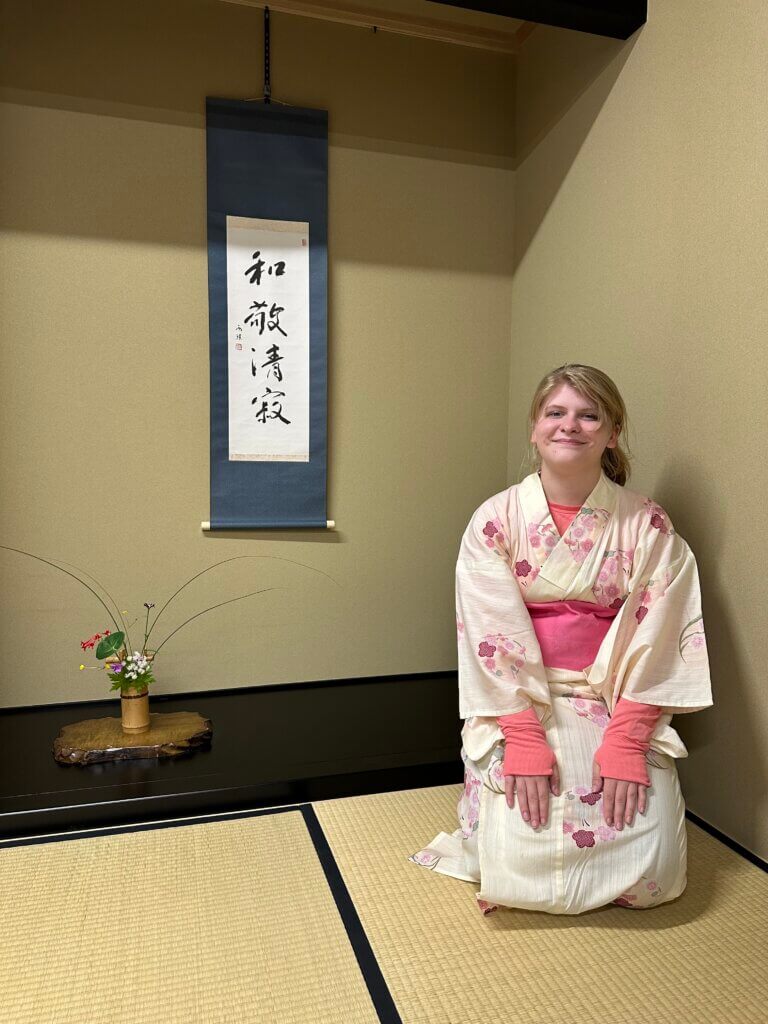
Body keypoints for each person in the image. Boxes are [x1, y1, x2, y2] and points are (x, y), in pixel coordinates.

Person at [409, 364, 712, 915]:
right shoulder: (495, 520)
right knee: (518, 845)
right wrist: (523, 736)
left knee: (655, 869)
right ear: (534, 427)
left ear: (610, 432)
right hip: (523, 700)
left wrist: (626, 740)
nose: (570, 425)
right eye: (556, 412)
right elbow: (487, 630)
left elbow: (663, 630)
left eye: (588, 414)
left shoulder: (647, 524)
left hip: (612, 696)